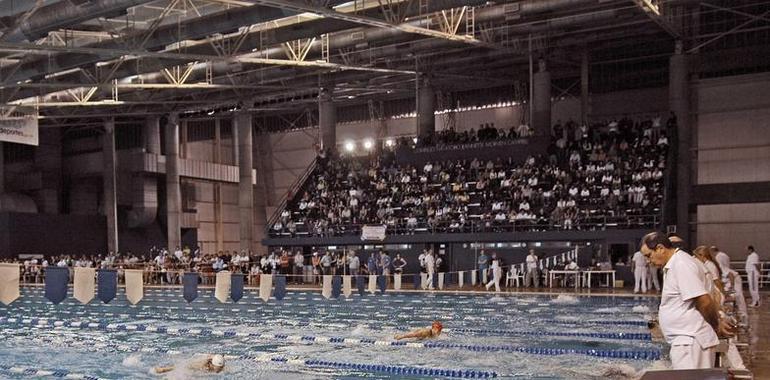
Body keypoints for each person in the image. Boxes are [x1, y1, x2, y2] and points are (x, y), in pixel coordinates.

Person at [640, 232, 735, 370]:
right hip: (688, 341)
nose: (649, 261)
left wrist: (716, 325)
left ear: (660, 248)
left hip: (690, 342)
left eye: (649, 255)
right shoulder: (676, 263)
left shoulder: (681, 264)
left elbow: (704, 300)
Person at [154, 354, 225, 374]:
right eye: (218, 368)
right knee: (184, 367)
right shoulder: (202, 366)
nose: (219, 370)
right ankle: (163, 369)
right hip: (197, 365)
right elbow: (182, 367)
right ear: (213, 365)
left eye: (220, 368)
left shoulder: (221, 367)